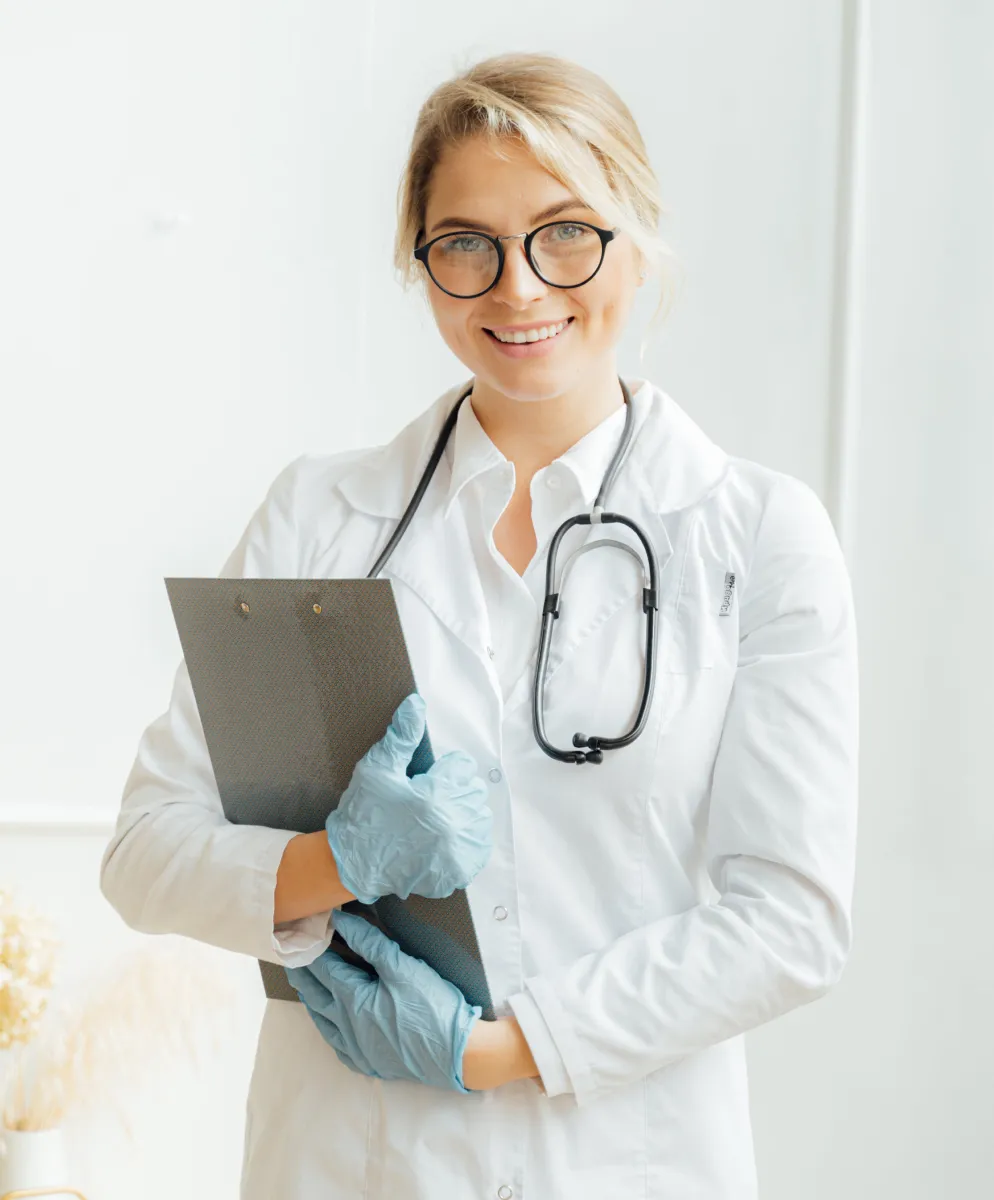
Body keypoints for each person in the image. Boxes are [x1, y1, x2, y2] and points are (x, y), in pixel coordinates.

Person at [99, 51, 859, 1200]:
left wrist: (491, 1054)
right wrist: (333, 862)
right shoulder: (320, 515)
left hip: (624, 1160)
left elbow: (791, 919)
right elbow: (145, 854)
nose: (518, 288)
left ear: (636, 236)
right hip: (349, 1156)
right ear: (421, 261)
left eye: (566, 233)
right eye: (466, 244)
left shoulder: (754, 534)